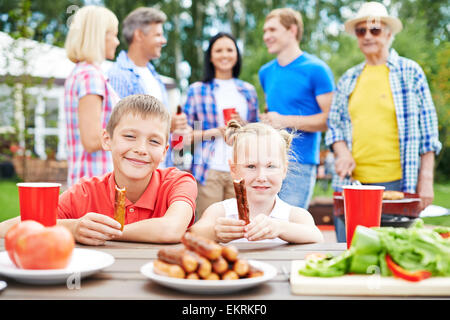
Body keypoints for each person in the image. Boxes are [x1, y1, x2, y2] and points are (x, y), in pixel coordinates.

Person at [0, 95, 198, 245]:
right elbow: (8, 227)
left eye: (153, 141)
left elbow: (172, 229)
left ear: (164, 152)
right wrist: (72, 227)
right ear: (107, 140)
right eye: (129, 136)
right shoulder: (84, 193)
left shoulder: (179, 182)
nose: (141, 149)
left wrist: (104, 232)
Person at [325, 2, 442, 242]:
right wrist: (342, 152)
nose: (367, 36)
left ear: (389, 34)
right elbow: (334, 125)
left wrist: (426, 180)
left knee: (394, 255)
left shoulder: (411, 72)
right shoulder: (349, 78)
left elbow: (429, 132)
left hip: (399, 183)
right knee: (350, 254)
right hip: (353, 185)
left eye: (375, 30)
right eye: (361, 31)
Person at [190, 120, 324, 244]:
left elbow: (317, 237)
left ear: (284, 170)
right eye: (251, 166)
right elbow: (192, 235)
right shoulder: (220, 212)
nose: (261, 177)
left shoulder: (294, 216)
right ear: (234, 169)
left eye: (270, 166)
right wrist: (214, 232)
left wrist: (280, 228)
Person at [258, 8, 335, 210]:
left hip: (299, 164)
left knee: (288, 229)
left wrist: (284, 120)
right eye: (265, 31)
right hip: (266, 162)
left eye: (272, 30)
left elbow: (330, 120)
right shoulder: (265, 72)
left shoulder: (317, 70)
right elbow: (273, 111)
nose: (266, 36)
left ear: (292, 30)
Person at [183, 32, 259, 219]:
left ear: (237, 55)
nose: (224, 55)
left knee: (239, 225)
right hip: (208, 170)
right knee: (208, 225)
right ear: (210, 56)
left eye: (229, 50)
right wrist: (215, 131)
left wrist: (244, 125)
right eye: (218, 50)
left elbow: (258, 133)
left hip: (241, 169)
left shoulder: (247, 91)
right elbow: (181, 136)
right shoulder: (198, 90)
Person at [107, 7, 189, 167]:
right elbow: (120, 128)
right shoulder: (118, 75)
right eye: (158, 34)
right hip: (135, 172)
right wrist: (166, 124)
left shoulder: (154, 76)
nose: (163, 40)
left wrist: (174, 125)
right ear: (139, 35)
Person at [64, 5, 121, 186]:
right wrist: (131, 138)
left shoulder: (80, 72)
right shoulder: (91, 76)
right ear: (98, 36)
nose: (117, 41)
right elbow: (91, 140)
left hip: (87, 181)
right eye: (113, 34)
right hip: (95, 183)